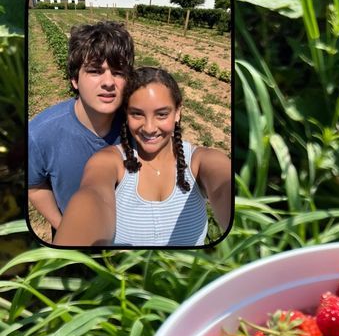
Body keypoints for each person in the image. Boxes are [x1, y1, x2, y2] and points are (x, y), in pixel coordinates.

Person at [55, 67, 231, 247]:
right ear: (126, 114)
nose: (149, 128)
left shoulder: (200, 162)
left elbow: (223, 185)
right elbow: (93, 196)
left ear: (177, 112)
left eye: (161, 114)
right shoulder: (108, 162)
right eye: (137, 114)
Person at [28, 21, 135, 237]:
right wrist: (64, 226)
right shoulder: (40, 134)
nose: (108, 82)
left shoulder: (139, 128)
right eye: (95, 71)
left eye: (118, 72)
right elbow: (35, 187)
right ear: (75, 79)